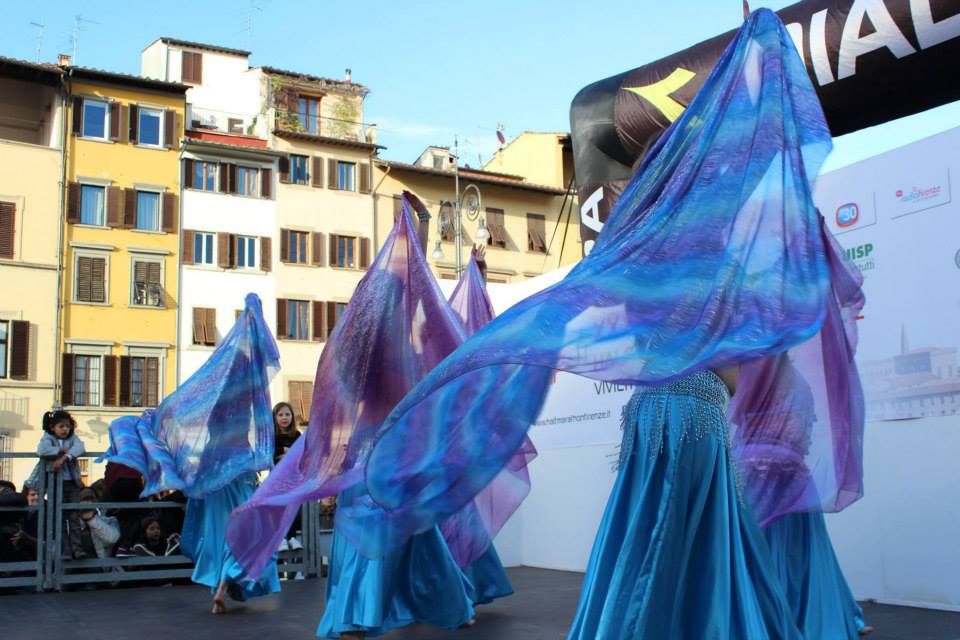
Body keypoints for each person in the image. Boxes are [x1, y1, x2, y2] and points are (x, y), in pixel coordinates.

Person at [103, 293, 281, 614]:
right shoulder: (246, 401)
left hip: (214, 472)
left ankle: (219, 586)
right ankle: (226, 582)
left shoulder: (216, 401)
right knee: (246, 530)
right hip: (237, 471)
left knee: (219, 530)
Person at [26, 410, 86, 559]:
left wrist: (64, 457)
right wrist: (60, 449)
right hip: (54, 483)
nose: (65, 429)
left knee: (74, 516)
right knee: (59, 517)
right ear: (52, 427)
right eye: (61, 426)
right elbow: (42, 450)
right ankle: (65, 550)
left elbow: (80, 448)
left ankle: (78, 549)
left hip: (71, 483)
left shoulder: (73, 438)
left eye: (68, 426)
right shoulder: (47, 438)